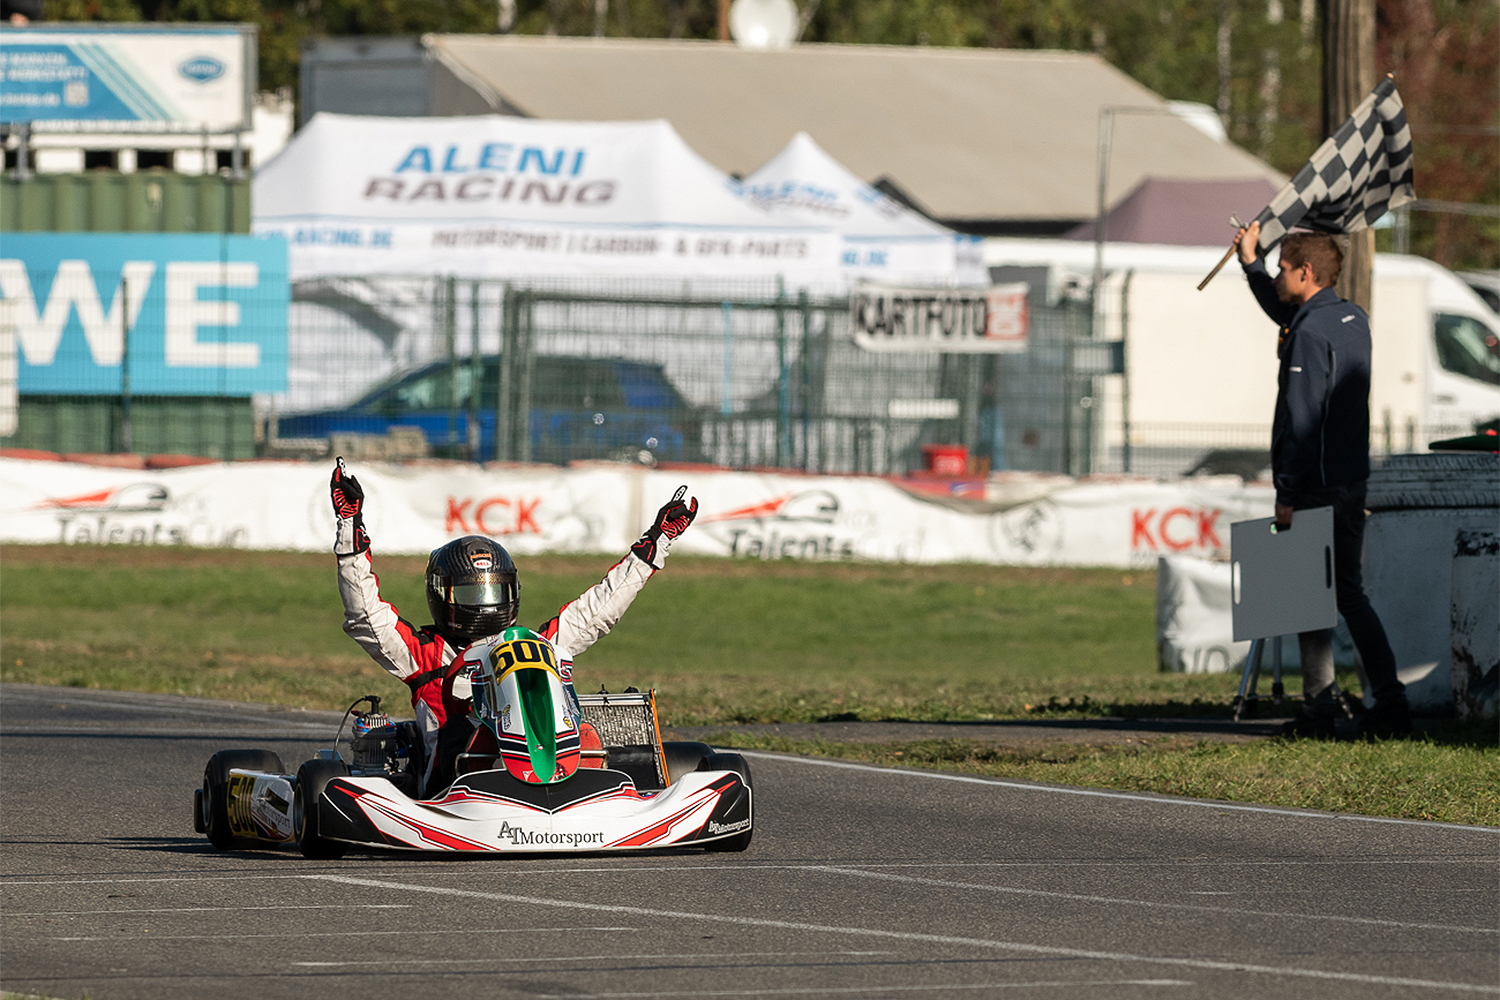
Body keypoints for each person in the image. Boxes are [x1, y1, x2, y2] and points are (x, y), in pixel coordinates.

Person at [330, 459, 698, 792]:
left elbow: (597, 611)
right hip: (456, 789)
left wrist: (656, 544)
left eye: (494, 592)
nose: (485, 605)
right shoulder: (423, 655)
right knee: (467, 730)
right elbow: (366, 615)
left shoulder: (534, 646)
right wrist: (350, 531)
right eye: (472, 596)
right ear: (443, 597)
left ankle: (580, 782)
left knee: (583, 731)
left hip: (546, 770)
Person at [1234, 221, 1412, 739]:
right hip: (1350, 477)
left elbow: (1302, 418)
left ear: (1305, 271)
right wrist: (1252, 264)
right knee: (1348, 594)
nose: (1278, 277)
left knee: (1307, 596)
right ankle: (1390, 702)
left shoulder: (1309, 333)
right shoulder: (1349, 318)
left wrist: (1287, 492)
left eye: (1283, 269)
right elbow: (1283, 308)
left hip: (1315, 483)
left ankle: (1321, 712)